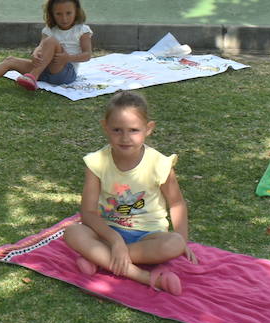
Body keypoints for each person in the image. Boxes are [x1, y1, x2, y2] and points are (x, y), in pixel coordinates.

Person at [62, 90, 196, 295]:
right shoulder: (96, 162)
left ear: (148, 129)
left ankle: (100, 259)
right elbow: (87, 212)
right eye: (117, 130)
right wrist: (115, 241)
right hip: (107, 233)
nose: (125, 138)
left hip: (148, 238)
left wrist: (183, 240)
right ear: (105, 127)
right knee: (72, 232)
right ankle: (142, 276)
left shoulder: (159, 164)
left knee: (174, 243)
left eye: (133, 130)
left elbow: (176, 203)